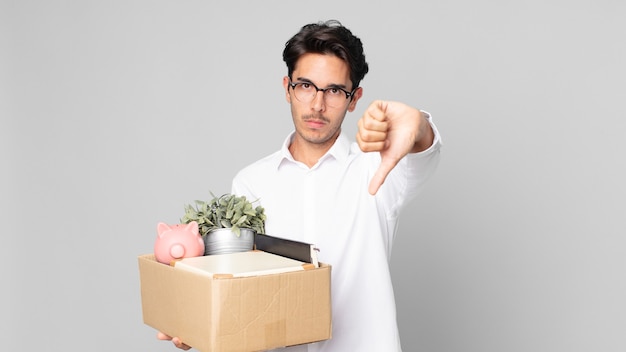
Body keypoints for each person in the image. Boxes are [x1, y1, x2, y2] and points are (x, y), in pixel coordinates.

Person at [159, 19, 442, 351]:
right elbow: (237, 285)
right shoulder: (251, 182)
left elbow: (422, 147)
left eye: (335, 90)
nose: (317, 105)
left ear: (354, 99)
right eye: (306, 85)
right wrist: (196, 320)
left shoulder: (378, 170)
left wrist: (418, 123)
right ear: (287, 88)